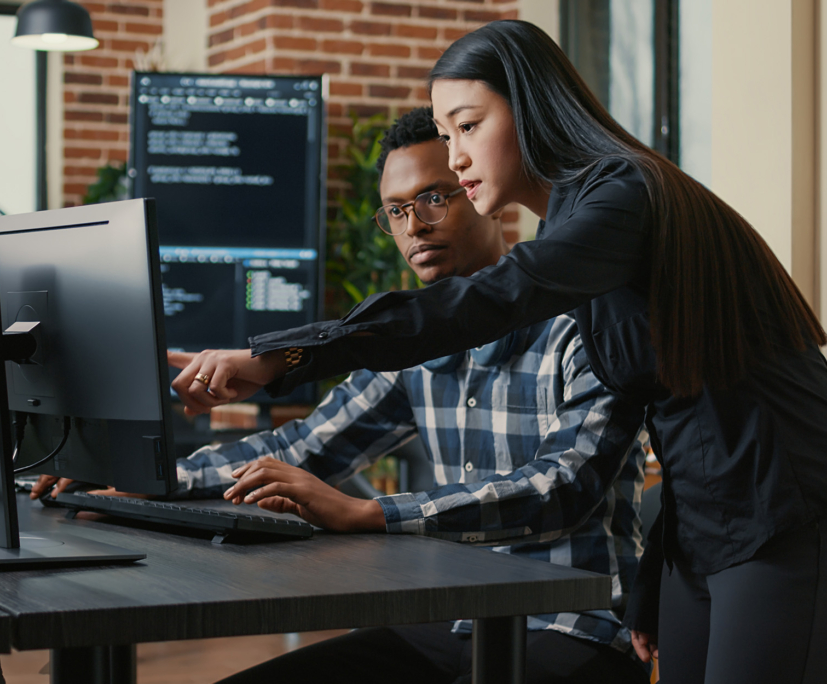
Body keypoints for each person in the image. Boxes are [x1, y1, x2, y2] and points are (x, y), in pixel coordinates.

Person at [168, 21, 827, 684]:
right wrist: (655, 574)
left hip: (786, 510)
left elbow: (493, 299)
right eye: (446, 134)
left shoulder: (622, 194)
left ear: (532, 107)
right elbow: (686, 414)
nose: (454, 157)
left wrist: (286, 356)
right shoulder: (582, 226)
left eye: (467, 126)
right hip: (701, 531)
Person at [36, 106, 648, 683]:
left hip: (577, 623)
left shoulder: (584, 323)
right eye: (397, 210)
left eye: (434, 198)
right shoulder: (412, 342)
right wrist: (147, 479)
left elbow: (563, 488)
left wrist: (371, 511)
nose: (416, 226)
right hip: (454, 617)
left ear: (482, 190)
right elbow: (304, 446)